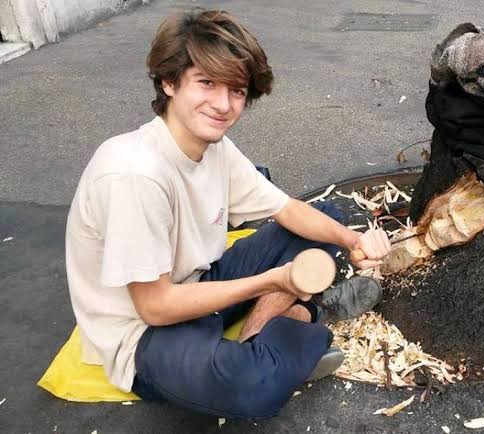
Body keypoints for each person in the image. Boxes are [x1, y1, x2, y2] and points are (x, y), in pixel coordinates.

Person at [65, 9, 391, 419]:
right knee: (251, 389)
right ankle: (308, 312)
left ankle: (261, 332)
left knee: (326, 218)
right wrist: (277, 280)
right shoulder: (134, 175)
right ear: (169, 82)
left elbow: (286, 209)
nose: (223, 105)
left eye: (236, 90)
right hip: (143, 332)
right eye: (206, 83)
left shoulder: (214, 147)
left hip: (200, 283)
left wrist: (354, 241)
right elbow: (157, 307)